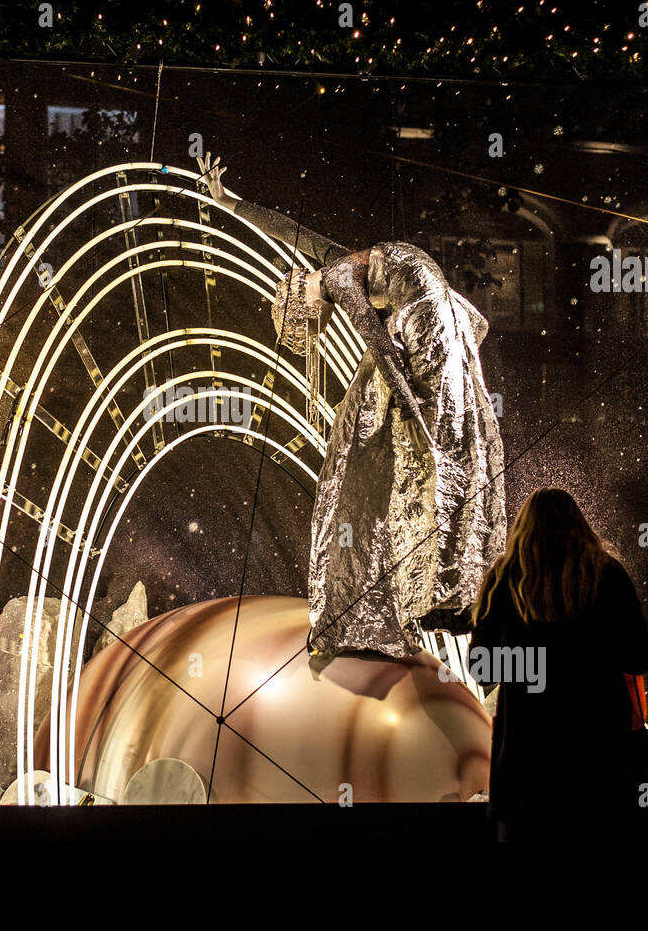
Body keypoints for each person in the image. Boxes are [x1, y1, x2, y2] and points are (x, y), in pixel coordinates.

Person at [196, 153, 506, 660]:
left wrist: (413, 414)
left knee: (365, 449)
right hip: (440, 314)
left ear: (306, 301)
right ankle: (440, 587)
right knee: (430, 438)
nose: (323, 322)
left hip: (426, 323)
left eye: (312, 320)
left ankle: (399, 594)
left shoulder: (338, 278)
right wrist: (230, 202)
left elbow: (380, 348)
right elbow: (288, 229)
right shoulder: (342, 262)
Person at [468, 487, 648, 841]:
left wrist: (536, 665)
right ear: (579, 524)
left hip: (528, 764)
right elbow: (639, 656)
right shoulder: (607, 576)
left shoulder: (504, 580)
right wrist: (589, 659)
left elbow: (483, 667)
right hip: (601, 760)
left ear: (523, 528)